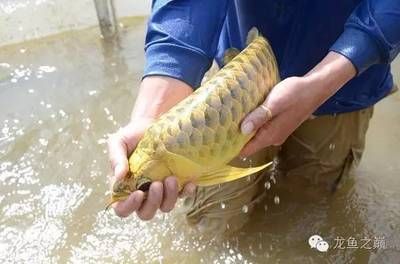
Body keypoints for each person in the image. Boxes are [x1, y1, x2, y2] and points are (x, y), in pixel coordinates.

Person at [107, 0, 400, 233]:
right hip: (239, 84)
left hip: (346, 81)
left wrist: (326, 79)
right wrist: (153, 112)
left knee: (312, 208)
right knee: (213, 223)